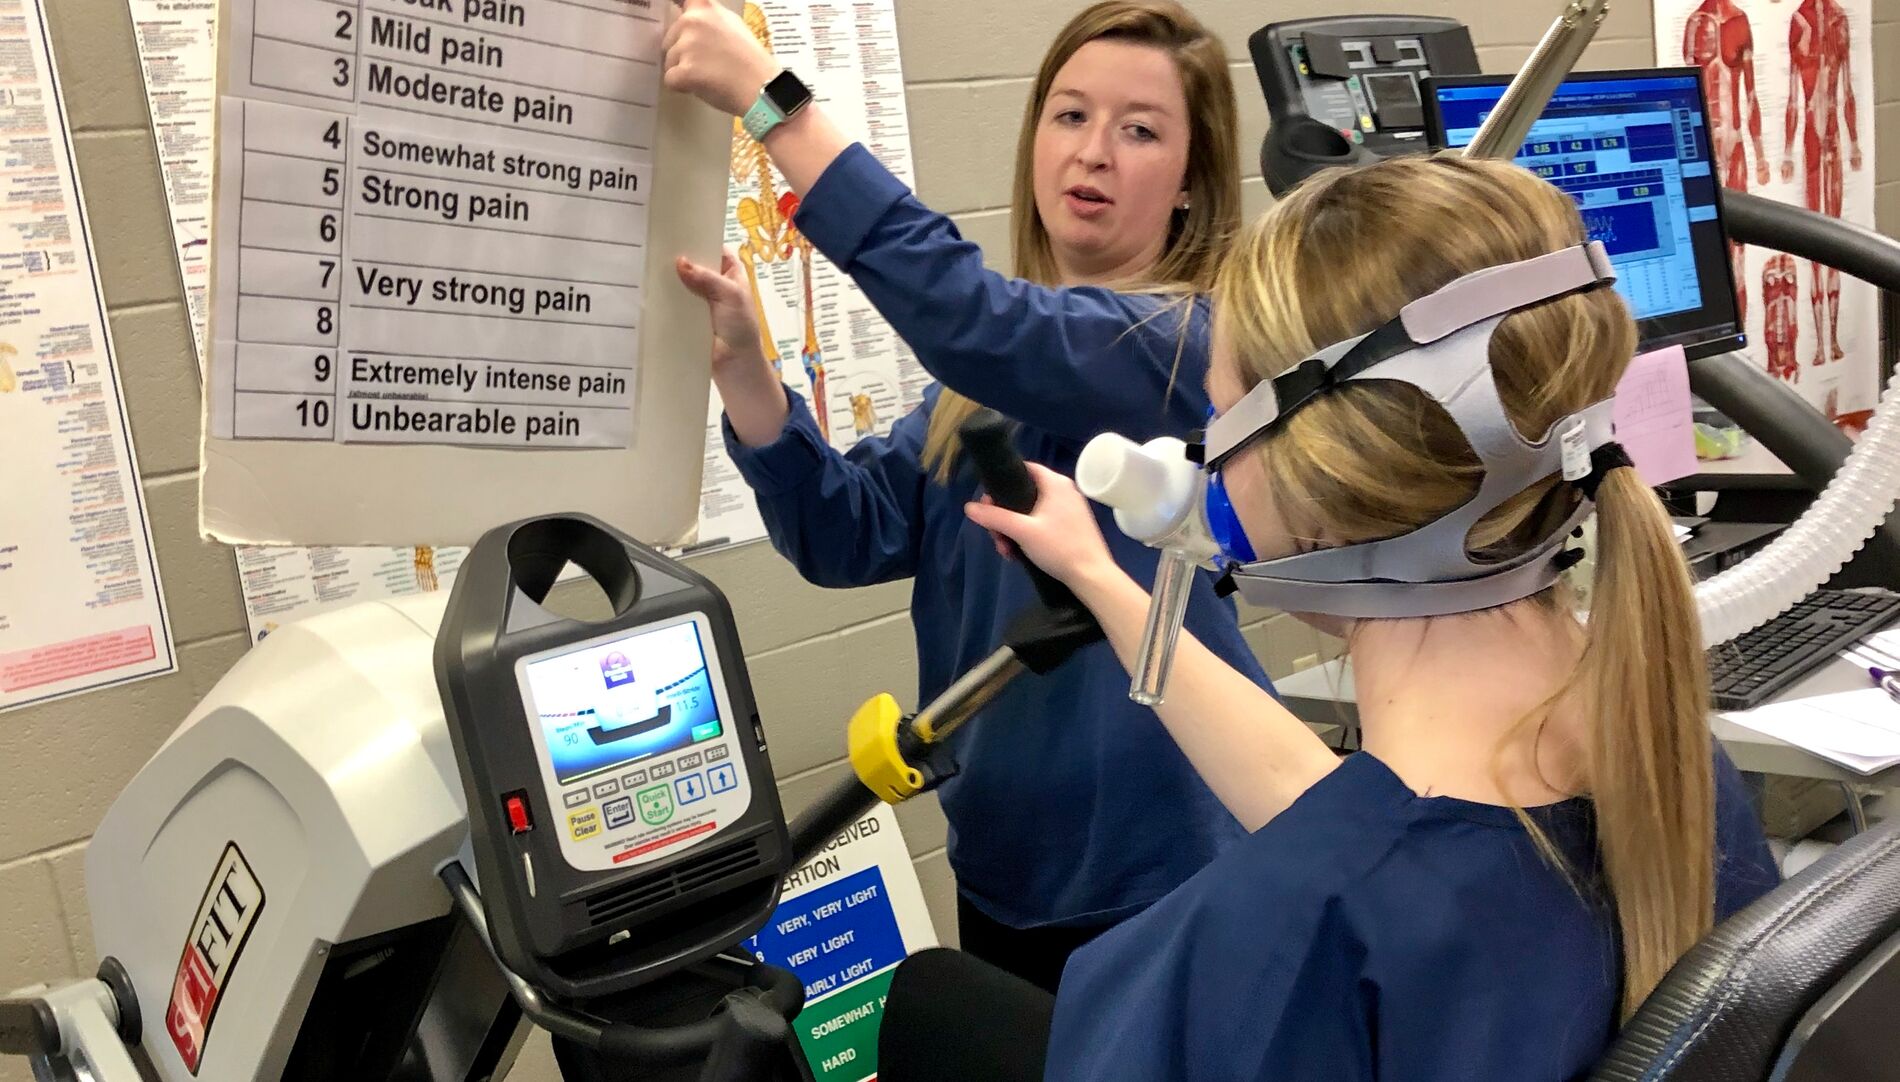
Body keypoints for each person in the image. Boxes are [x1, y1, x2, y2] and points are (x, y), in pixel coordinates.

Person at [937, 155, 1782, 1079]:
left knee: (938, 1007)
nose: (1202, 464)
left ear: (1322, 482)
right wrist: (1101, 581)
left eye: (1219, 417)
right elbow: (1353, 825)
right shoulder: (1677, 774)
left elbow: (1346, 866)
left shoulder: (1256, 946)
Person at [662, 0, 1275, 992]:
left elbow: (982, 320)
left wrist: (770, 104)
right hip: (1000, 870)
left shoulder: (1193, 347)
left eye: (1141, 129)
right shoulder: (977, 383)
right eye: (1070, 115)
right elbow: (843, 535)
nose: (1094, 153)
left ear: (1192, 187)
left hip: (1159, 885)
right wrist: (747, 377)